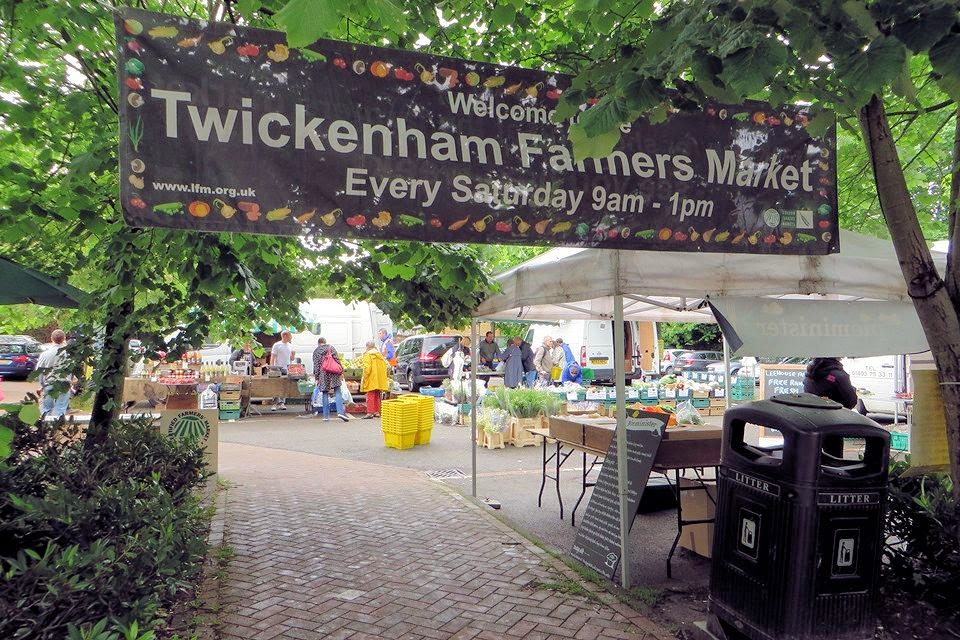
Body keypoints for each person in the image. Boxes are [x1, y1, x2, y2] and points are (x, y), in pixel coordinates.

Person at [311, 337, 349, 422]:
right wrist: (341, 371)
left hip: (323, 374)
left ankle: (325, 416)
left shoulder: (316, 351)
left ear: (318, 343)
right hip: (333, 372)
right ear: (325, 342)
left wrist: (317, 378)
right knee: (337, 391)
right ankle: (340, 412)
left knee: (325, 393)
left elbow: (316, 366)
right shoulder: (331, 348)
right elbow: (337, 360)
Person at [36, 329, 71, 418]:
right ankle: (58, 426)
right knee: (61, 408)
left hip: (49, 383)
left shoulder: (45, 354)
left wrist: (42, 385)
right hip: (64, 383)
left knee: (46, 408)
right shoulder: (69, 354)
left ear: (51, 339)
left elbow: (39, 371)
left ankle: (46, 427)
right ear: (64, 339)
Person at [361, 340, 390, 419]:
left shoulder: (368, 355)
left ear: (367, 347)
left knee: (370, 395)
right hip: (379, 379)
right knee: (377, 395)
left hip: (371, 378)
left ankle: (370, 412)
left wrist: (364, 377)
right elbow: (386, 366)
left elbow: (367, 368)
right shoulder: (379, 355)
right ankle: (377, 412)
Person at [269, 331, 295, 410]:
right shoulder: (277, 345)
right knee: (276, 385)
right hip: (278, 368)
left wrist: (293, 355)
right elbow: (272, 357)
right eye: (290, 335)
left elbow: (291, 359)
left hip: (287, 368)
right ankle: (274, 403)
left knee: (284, 385)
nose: (291, 337)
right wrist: (272, 368)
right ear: (285, 335)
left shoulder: (290, 346)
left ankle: (282, 403)